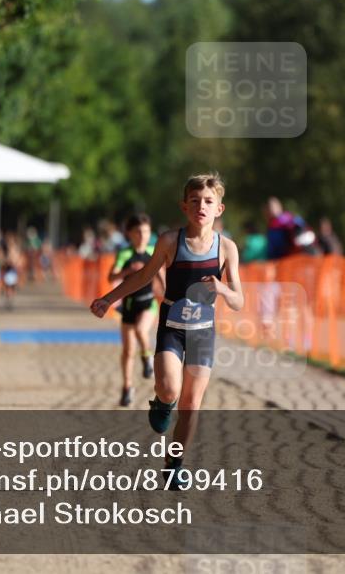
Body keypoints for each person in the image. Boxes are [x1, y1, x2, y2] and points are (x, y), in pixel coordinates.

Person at [90, 173, 244, 489]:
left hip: (203, 331)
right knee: (170, 389)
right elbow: (143, 277)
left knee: (191, 404)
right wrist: (108, 299)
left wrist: (223, 290)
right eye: (195, 201)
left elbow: (239, 300)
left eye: (208, 201)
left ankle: (175, 464)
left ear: (219, 209)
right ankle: (162, 402)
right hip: (172, 326)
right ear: (184, 206)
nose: (201, 206)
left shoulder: (226, 248)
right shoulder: (170, 241)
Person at [108, 214, 165, 406]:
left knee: (142, 330)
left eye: (147, 231)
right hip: (129, 305)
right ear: (129, 234)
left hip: (149, 302)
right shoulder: (124, 254)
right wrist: (126, 272)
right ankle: (127, 387)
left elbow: (162, 277)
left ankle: (147, 359)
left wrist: (167, 297)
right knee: (128, 350)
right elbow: (111, 277)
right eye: (138, 232)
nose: (143, 235)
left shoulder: (153, 251)